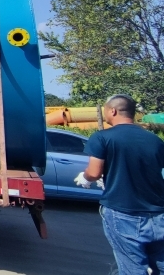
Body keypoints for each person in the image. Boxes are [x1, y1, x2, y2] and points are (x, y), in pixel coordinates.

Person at [75, 94, 164, 274]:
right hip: (158, 212)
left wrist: (85, 177)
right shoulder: (155, 140)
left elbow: (94, 172)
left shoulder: (102, 137)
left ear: (113, 111)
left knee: (132, 267)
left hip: (123, 212)